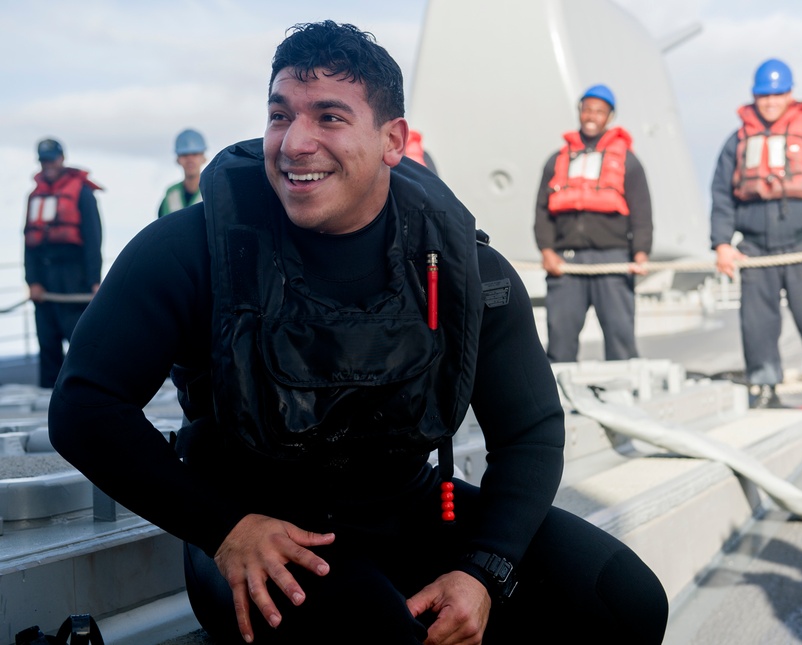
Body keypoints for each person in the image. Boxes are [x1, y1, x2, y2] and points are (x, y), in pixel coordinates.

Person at [48, 21, 668, 645]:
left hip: (408, 505)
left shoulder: (460, 269)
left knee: (624, 602)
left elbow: (530, 433)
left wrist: (482, 572)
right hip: (255, 532)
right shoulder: (194, 251)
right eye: (279, 115)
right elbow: (85, 406)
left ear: (392, 139)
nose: (295, 142)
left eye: (330, 117)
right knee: (377, 634)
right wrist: (223, 528)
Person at [709, 59, 802, 427]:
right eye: (764, 95)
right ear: (754, 96)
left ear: (790, 94)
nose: (771, 101)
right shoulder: (737, 142)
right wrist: (722, 244)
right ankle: (764, 387)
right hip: (756, 247)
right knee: (757, 322)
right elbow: (722, 196)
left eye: (778, 94)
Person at [533, 84, 653, 363]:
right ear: (579, 111)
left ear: (609, 117)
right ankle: (560, 397)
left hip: (613, 259)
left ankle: (621, 393)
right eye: (587, 109)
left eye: (599, 111)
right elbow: (541, 211)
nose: (591, 116)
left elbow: (642, 211)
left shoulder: (628, 162)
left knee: (619, 332)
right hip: (567, 261)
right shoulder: (556, 161)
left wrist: (641, 253)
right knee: (560, 335)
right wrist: (547, 251)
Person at [24, 138, 103, 389]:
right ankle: (49, 401)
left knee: (80, 345)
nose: (48, 164)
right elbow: (28, 243)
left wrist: (94, 281)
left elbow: (93, 239)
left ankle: (89, 395)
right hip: (45, 283)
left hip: (74, 279)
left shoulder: (82, 193)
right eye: (44, 160)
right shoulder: (34, 196)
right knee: (47, 346)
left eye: (52, 159)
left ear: (62, 159)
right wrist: (32, 281)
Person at [158, 128, 208, 218]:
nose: (190, 160)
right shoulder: (171, 194)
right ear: (178, 159)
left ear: (204, 158)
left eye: (195, 154)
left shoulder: (212, 192)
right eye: (184, 155)